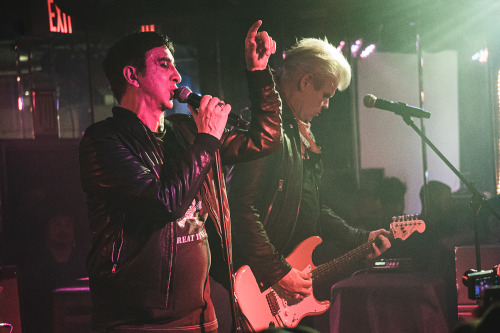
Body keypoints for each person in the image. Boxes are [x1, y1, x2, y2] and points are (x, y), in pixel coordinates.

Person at [79, 20, 281, 333]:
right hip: (138, 322)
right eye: (164, 65)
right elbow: (162, 203)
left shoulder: (186, 132)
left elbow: (265, 137)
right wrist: (207, 138)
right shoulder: (103, 141)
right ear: (132, 75)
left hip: (201, 317)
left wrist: (258, 72)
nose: (177, 75)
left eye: (176, 66)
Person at [227, 37, 391, 329]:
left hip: (277, 284)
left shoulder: (297, 135)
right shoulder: (267, 131)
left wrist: (358, 238)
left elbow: (310, 205)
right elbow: (240, 207)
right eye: (325, 94)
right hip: (252, 285)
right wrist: (278, 271)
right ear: (305, 82)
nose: (326, 105)